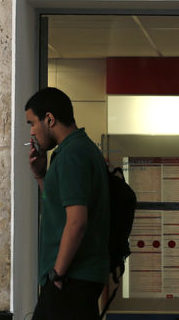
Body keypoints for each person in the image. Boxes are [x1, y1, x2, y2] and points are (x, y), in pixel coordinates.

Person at [25, 87, 110, 320]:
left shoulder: (73, 154)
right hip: (77, 278)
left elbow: (77, 222)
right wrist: (41, 175)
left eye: (32, 123)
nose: (31, 132)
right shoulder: (79, 150)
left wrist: (57, 276)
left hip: (72, 278)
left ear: (49, 119)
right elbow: (59, 209)